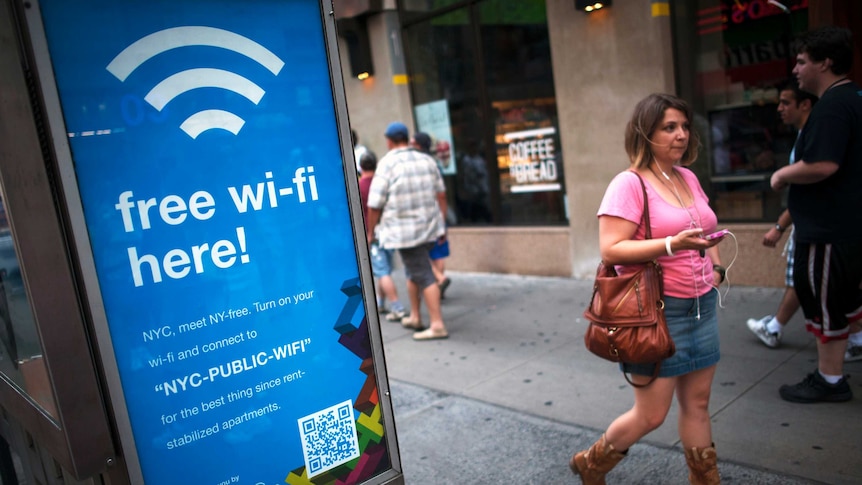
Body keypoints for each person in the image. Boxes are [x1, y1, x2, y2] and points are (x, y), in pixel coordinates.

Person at [570, 94, 725, 485]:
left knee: (698, 403)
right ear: (646, 132)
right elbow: (611, 248)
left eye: (685, 127)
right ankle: (592, 463)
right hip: (656, 312)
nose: (681, 135)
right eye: (669, 127)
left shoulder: (686, 175)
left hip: (701, 305)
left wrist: (717, 266)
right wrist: (674, 245)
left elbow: (706, 227)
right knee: (651, 415)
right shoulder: (628, 183)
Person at [770, 26, 862, 403]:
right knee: (841, 299)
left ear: (825, 63)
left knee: (825, 304)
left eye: (803, 61)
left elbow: (823, 165)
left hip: (828, 230)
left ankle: (830, 380)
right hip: (843, 227)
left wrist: (781, 175)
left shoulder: (834, 105)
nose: (796, 68)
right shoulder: (854, 98)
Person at [745, 83, 817, 348]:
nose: (780, 108)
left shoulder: (812, 137)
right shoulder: (804, 136)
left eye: (786, 102)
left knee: (806, 281)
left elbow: (807, 193)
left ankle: (774, 327)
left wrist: (779, 226)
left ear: (805, 105)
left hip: (815, 225)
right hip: (811, 224)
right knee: (811, 283)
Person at [366, 122, 450, 341]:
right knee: (413, 271)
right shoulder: (427, 159)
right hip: (430, 227)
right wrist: (442, 222)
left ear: (390, 140)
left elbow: (374, 204)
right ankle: (415, 316)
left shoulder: (387, 163)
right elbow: (441, 194)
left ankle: (437, 324)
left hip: (405, 232)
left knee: (423, 274)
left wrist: (370, 231)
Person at [357, 150, 407, 321]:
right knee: (383, 269)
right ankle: (380, 303)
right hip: (388, 232)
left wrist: (369, 234)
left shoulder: (360, 185)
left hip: (374, 235)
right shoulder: (381, 183)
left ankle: (397, 307)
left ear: (361, 166)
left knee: (382, 271)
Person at [411, 131, 452, 298]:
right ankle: (439, 285)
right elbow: (442, 194)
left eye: (413, 143)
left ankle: (438, 280)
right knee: (438, 253)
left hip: (423, 216)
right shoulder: (434, 163)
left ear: (419, 145)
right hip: (436, 216)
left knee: (420, 253)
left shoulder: (417, 164)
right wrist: (443, 217)